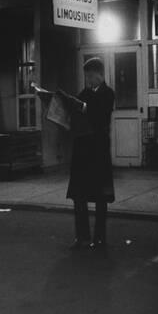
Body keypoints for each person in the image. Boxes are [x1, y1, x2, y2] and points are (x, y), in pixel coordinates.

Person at [58, 57, 115, 250]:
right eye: (87, 76)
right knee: (79, 197)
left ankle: (99, 238)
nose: (89, 80)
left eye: (91, 76)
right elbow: (74, 117)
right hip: (82, 151)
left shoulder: (108, 94)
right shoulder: (83, 93)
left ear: (100, 74)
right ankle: (82, 237)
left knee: (100, 198)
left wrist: (82, 107)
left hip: (98, 152)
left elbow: (101, 117)